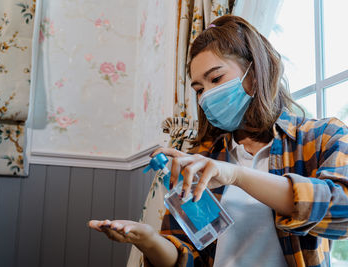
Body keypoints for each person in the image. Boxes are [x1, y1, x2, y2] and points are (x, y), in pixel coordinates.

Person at [89, 15, 348, 267]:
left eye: (216, 79)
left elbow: (343, 213)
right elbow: (189, 256)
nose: (206, 97)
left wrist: (236, 175)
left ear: (255, 74)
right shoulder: (201, 157)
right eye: (200, 89)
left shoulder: (321, 137)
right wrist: (149, 240)